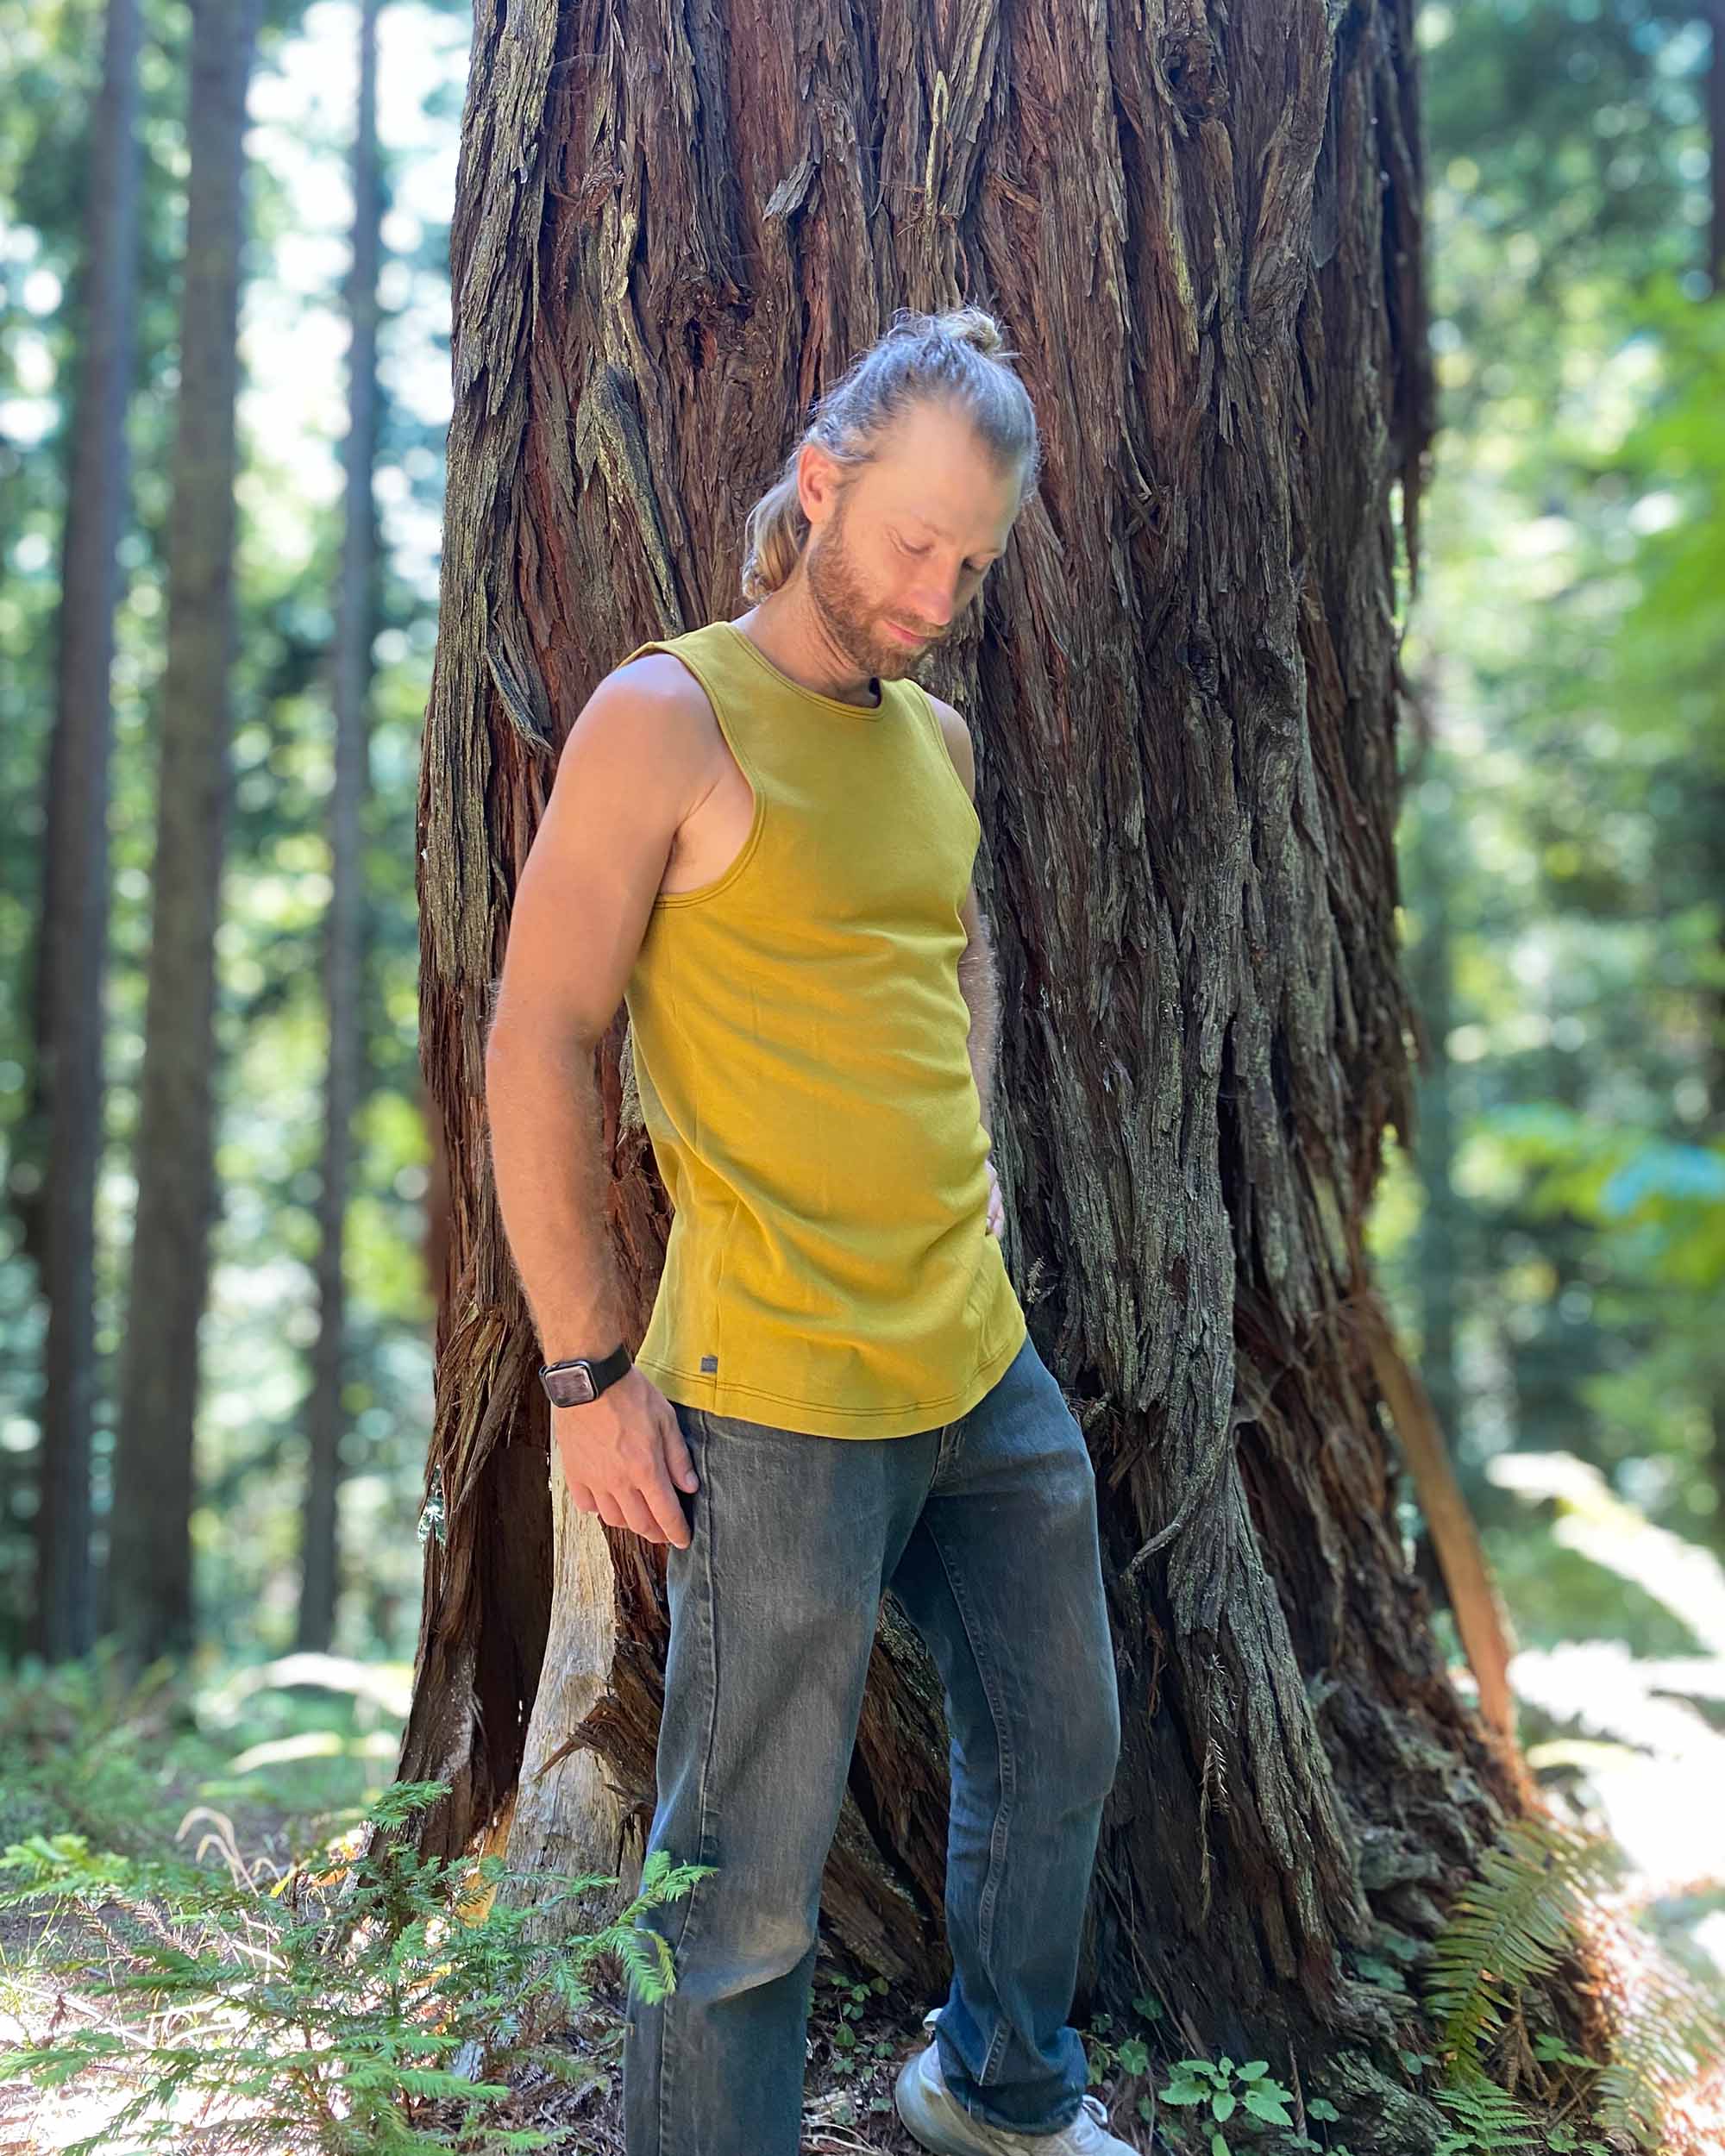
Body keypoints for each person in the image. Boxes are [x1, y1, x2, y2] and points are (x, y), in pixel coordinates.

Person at [484, 304, 1127, 2156]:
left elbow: (953, 948)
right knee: (741, 1886)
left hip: (976, 1359)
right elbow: (539, 1032)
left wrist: (981, 1143)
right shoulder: (666, 714)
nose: (938, 592)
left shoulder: (932, 738)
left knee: (1060, 1738)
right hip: (773, 1389)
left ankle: (1000, 2087)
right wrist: (587, 1370)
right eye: (914, 541)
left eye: (974, 559)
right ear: (823, 481)